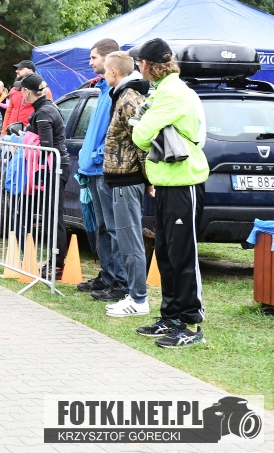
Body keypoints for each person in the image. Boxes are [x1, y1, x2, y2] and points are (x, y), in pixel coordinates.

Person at [130, 38, 209, 348]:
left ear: (147, 65)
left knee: (182, 255)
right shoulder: (163, 90)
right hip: (166, 182)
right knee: (165, 253)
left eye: (139, 62)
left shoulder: (173, 93)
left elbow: (141, 135)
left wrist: (144, 124)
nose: (138, 66)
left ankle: (191, 323)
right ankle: (171, 317)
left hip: (183, 183)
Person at [74, 38, 128, 302]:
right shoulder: (103, 90)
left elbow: (112, 135)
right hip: (93, 169)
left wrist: (95, 157)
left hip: (103, 169)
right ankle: (107, 275)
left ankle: (119, 280)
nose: (90, 62)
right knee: (101, 227)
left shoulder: (115, 93)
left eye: (93, 57)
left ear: (108, 59)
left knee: (113, 227)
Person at [101, 51, 152, 318]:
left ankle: (139, 298)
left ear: (113, 71)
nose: (103, 74)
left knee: (131, 241)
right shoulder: (122, 95)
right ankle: (134, 295)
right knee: (125, 239)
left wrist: (149, 178)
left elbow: (142, 141)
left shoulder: (130, 98)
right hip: (121, 178)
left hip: (128, 179)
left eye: (104, 70)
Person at [21, 73, 71, 275]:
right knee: (51, 216)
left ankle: (57, 265)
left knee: (53, 217)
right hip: (54, 166)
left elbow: (47, 147)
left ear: (27, 91)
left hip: (54, 167)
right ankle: (54, 261)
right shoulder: (46, 107)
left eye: (21, 90)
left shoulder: (43, 112)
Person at [2, 60, 51, 131]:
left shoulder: (43, 90)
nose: (16, 71)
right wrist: (4, 131)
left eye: (20, 69)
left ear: (30, 71)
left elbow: (47, 114)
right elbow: (9, 112)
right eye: (17, 69)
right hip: (12, 133)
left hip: (30, 133)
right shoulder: (14, 89)